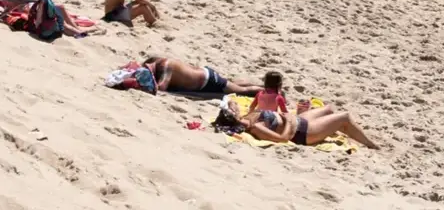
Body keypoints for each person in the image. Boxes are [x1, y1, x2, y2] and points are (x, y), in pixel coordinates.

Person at [226, 100, 378, 149]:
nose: (234, 107)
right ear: (234, 117)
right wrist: (288, 121)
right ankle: (370, 144)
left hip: (299, 120)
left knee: (329, 109)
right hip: (303, 132)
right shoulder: (256, 127)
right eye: (232, 110)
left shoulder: (246, 116)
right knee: (344, 117)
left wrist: (293, 116)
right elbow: (283, 138)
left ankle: (331, 129)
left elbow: (230, 101)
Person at [143, 55, 262, 96]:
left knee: (242, 91)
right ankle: (261, 85)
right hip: (205, 73)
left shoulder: (165, 67)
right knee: (231, 84)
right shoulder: (162, 61)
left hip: (207, 80)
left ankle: (269, 91)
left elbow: (161, 87)